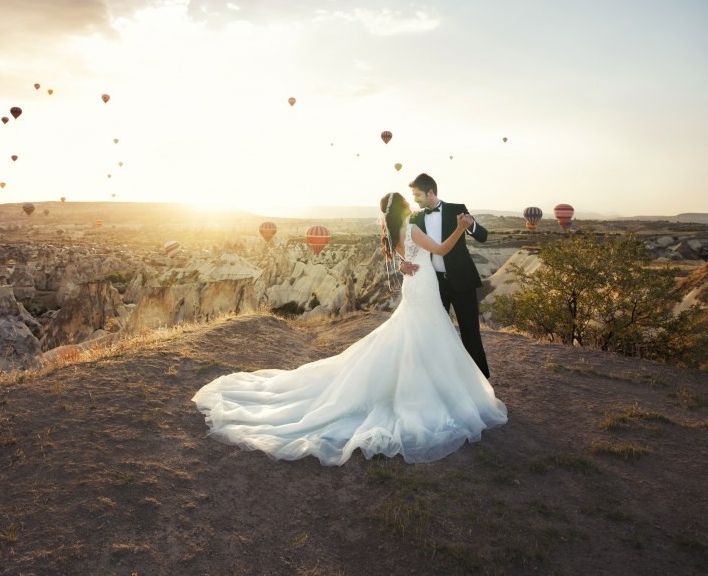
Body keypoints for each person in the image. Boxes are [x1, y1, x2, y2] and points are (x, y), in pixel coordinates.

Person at [192, 192, 507, 466]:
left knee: (412, 337)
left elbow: (403, 259)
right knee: (426, 336)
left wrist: (404, 264)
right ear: (404, 209)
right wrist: (460, 228)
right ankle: (427, 393)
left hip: (414, 287)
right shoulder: (412, 227)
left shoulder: (395, 234)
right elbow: (440, 251)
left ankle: (411, 387)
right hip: (423, 287)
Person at [403, 173, 491, 378]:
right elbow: (408, 248)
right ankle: (441, 382)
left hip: (462, 282)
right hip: (433, 285)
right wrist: (402, 265)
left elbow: (483, 236)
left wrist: (471, 225)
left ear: (430, 192)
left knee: (470, 334)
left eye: (417, 195)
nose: (414, 200)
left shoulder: (457, 209)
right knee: (435, 334)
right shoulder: (415, 218)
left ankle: (481, 382)